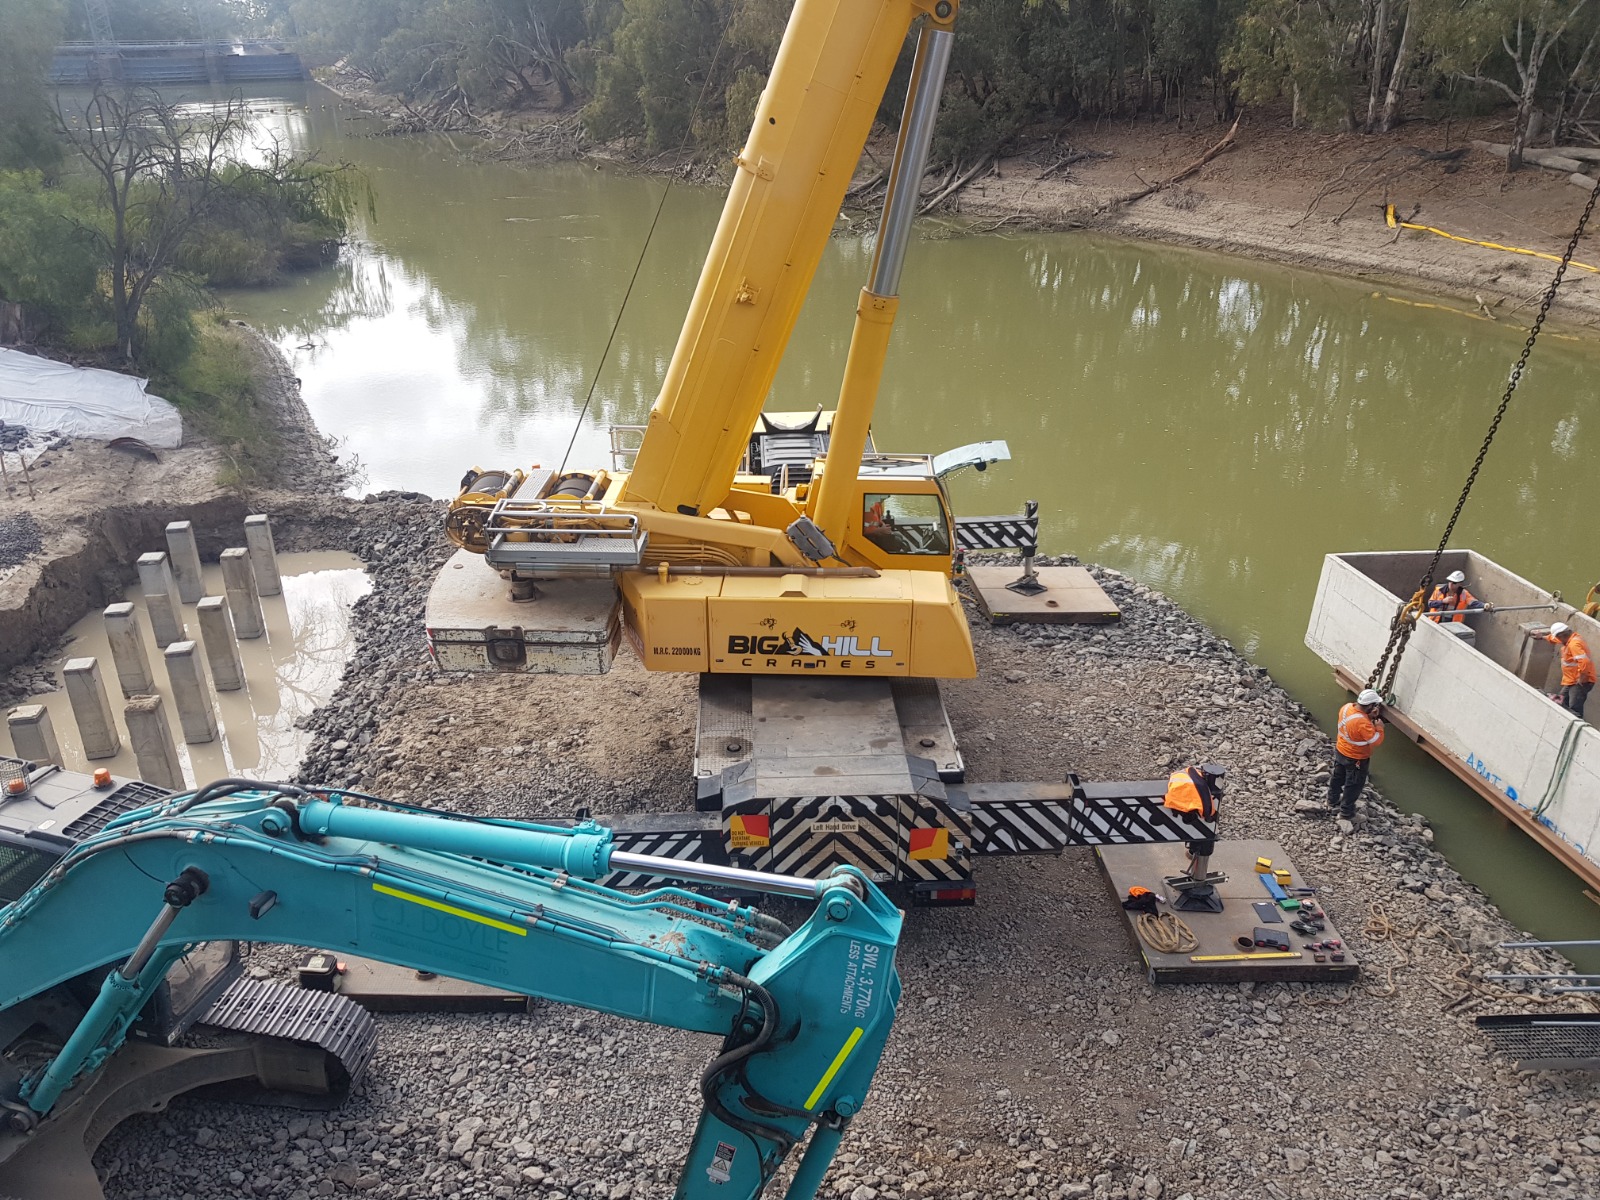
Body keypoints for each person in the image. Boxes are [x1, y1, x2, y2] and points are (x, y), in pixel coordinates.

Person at [1328, 689, 1385, 819]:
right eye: (1374, 705)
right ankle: (1346, 813)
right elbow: (1376, 740)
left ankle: (1331, 800)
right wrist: (1380, 727)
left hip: (1341, 751)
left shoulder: (1347, 707)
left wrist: (1369, 716)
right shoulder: (1362, 723)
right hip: (1356, 759)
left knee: (1337, 777)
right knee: (1353, 785)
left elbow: (1354, 723)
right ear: (1370, 706)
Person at [1544, 622, 1595, 718]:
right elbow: (1555, 639)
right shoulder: (1569, 639)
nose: (1558, 640)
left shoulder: (1574, 644)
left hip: (1579, 682)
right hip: (1572, 681)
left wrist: (1582, 677)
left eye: (1558, 638)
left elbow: (1584, 661)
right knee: (1560, 701)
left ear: (1562, 635)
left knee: (1574, 709)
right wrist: (1543, 637)